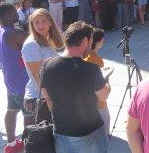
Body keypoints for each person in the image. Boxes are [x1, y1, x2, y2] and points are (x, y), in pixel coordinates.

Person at [41, 21, 110, 153]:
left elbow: (48, 99)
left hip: (61, 132)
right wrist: (106, 79)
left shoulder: (47, 65)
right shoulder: (90, 68)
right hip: (88, 132)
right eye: (90, 41)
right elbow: (103, 96)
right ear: (85, 40)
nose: (91, 45)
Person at [0, 2, 31, 153]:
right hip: (23, 82)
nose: (17, 16)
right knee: (30, 113)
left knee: (11, 110)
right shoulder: (15, 34)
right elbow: (36, 41)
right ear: (7, 16)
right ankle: (29, 143)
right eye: (14, 14)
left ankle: (11, 143)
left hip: (9, 80)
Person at [22, 8, 64, 125]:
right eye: (37, 22)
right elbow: (36, 74)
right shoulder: (32, 44)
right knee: (43, 139)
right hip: (40, 97)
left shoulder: (46, 39)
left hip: (49, 93)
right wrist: (49, 98)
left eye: (44, 21)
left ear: (50, 23)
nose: (40, 25)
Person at [83, 28, 111, 134]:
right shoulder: (96, 59)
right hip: (99, 103)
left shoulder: (84, 56)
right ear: (100, 41)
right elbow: (102, 84)